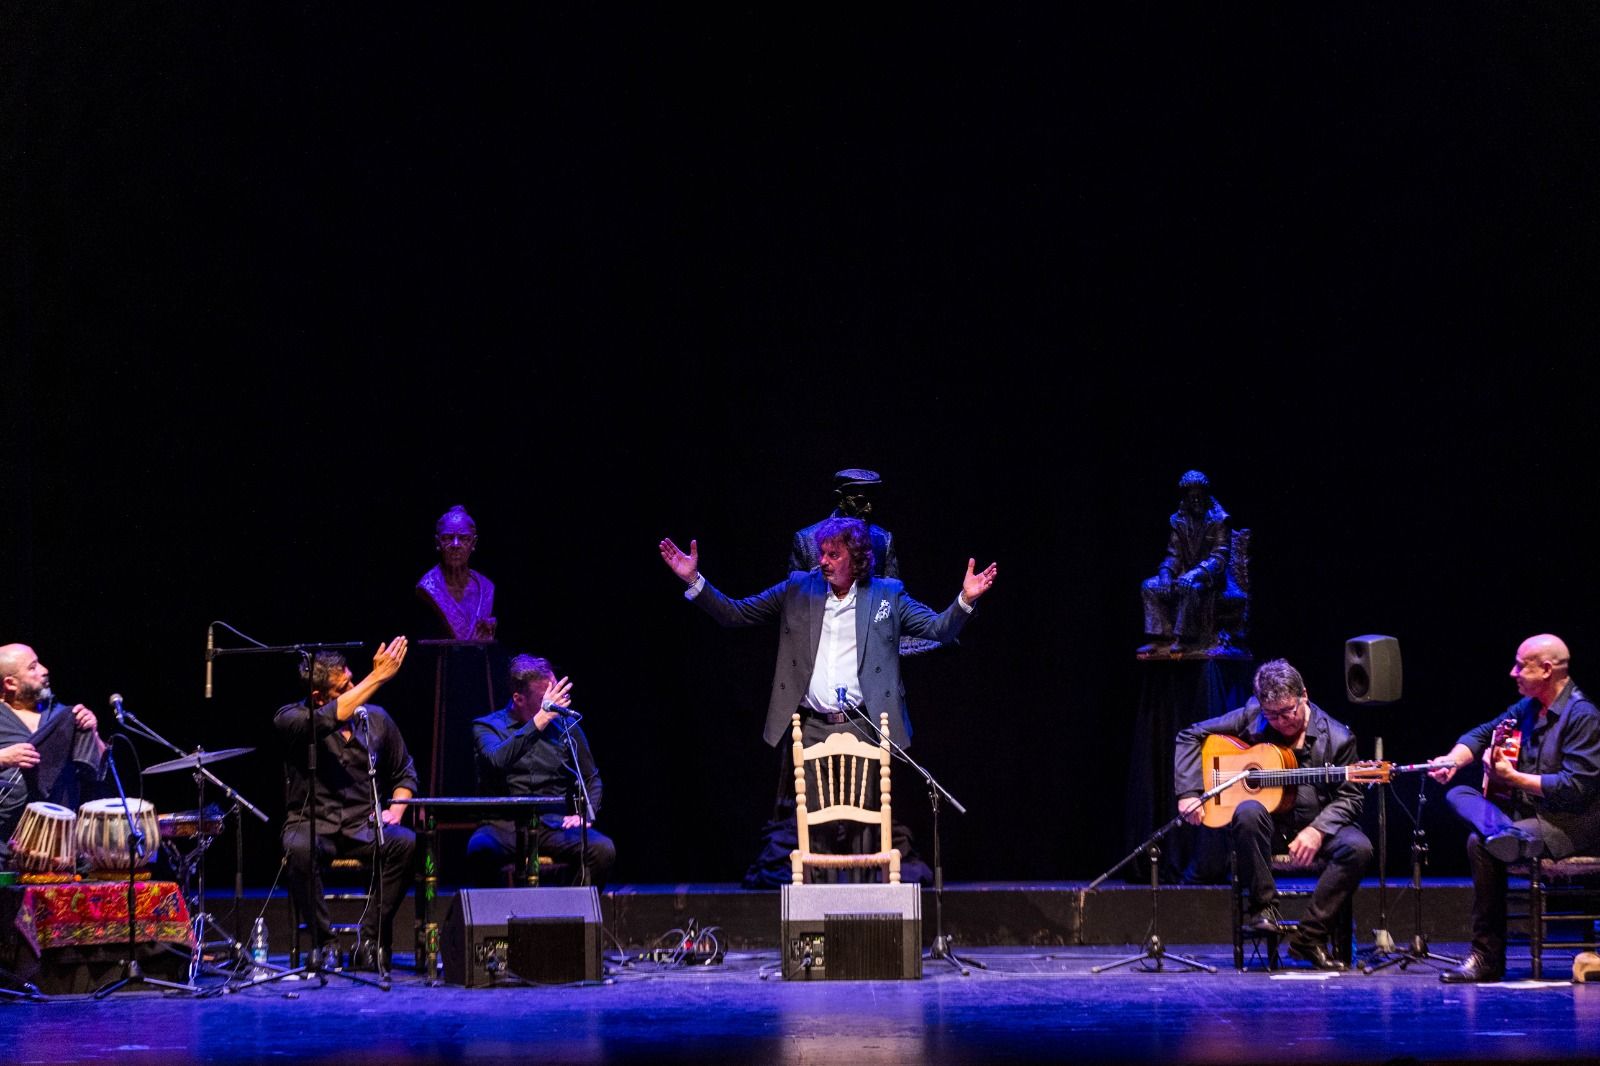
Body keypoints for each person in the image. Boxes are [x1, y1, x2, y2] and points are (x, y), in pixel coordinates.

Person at [659, 517, 997, 885]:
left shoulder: (887, 594)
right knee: (815, 824)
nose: (823, 561)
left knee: (865, 822)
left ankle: (866, 911)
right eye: (821, 553)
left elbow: (938, 629)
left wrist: (965, 599)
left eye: (833, 554)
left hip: (865, 725)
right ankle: (819, 910)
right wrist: (694, 580)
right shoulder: (798, 588)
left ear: (857, 558)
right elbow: (736, 613)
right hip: (814, 726)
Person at [1174, 658, 1370, 971]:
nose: (1279, 721)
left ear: (1304, 695)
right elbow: (1191, 735)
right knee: (1248, 810)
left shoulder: (1338, 738)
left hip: (1318, 828)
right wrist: (1188, 793)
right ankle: (1264, 909)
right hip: (1267, 831)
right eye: (1271, 714)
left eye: (1287, 711)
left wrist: (1317, 830)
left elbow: (1351, 797)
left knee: (1358, 848)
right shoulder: (1254, 717)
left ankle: (1309, 937)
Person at [1428, 633, 1600, 983]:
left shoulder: (1583, 716)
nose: (1513, 672)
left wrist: (1515, 778)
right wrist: (1452, 760)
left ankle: (1487, 959)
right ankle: (1506, 834)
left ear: (1548, 670)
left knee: (1480, 844)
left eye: (1522, 666)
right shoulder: (1528, 707)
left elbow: (1576, 787)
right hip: (1525, 821)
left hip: (1569, 824)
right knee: (1459, 792)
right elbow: (1481, 733)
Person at [276, 639, 417, 972]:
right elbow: (329, 718)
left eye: (354, 680)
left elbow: (404, 772)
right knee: (297, 849)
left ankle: (368, 939)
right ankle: (325, 943)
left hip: (362, 825)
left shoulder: (377, 719)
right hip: (313, 822)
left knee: (405, 843)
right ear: (319, 697)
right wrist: (378, 676)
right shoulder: (291, 719)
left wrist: (395, 810)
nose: (356, 689)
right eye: (345, 687)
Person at [466, 655, 615, 886]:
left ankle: (571, 917)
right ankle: (496, 920)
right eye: (545, 698)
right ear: (519, 698)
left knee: (602, 849)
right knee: (480, 850)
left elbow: (591, 778)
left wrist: (586, 813)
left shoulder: (565, 726)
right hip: (503, 826)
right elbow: (496, 760)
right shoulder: (487, 726)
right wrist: (539, 721)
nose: (553, 702)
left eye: (554, 693)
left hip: (551, 825)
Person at [0, 644, 107, 857]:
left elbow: (102, 767)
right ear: (10, 683)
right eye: (32, 667)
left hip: (59, 847)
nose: (44, 669)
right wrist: (3, 758)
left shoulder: (61, 716)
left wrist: (93, 732)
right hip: (5, 843)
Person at [1138, 470, 1236, 659]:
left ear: (1206, 495)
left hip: (1210, 578)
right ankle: (1161, 637)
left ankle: (1185, 639)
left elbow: (1220, 558)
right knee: (1149, 586)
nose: (1196, 501)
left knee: (1190, 588)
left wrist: (1195, 574)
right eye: (1192, 497)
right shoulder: (1178, 520)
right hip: (1183, 574)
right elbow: (1173, 554)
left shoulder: (1220, 519)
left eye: (1200, 496)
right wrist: (1166, 574)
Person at [788, 469, 899, 578]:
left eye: (872, 501)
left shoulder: (884, 539)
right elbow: (795, 593)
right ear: (839, 499)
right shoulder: (806, 540)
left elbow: (892, 593)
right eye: (860, 502)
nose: (868, 509)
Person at [416, 505, 497, 641]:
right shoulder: (429, 586)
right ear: (438, 542)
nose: (455, 545)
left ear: (473, 542)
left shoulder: (486, 587)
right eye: (448, 538)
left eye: (464, 538)